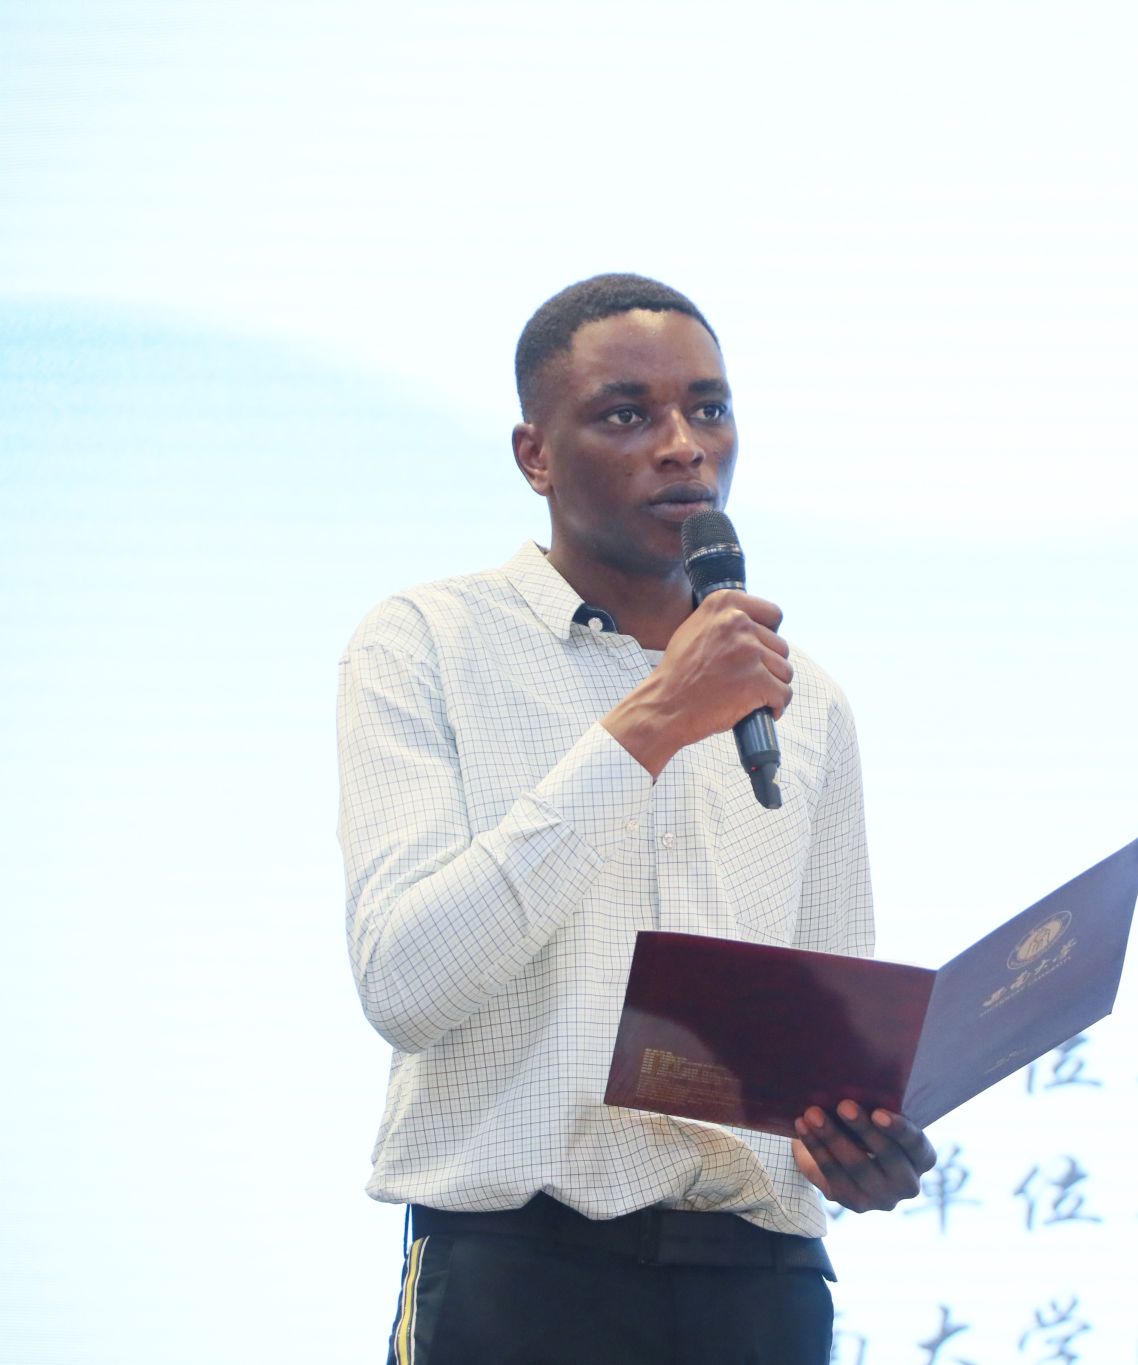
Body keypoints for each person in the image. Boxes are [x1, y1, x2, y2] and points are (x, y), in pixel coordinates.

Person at [336, 273, 936, 1364]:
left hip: (762, 1287)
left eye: (708, 408)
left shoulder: (808, 701)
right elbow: (405, 984)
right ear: (534, 455)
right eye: (627, 414)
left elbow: (825, 1051)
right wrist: (653, 722)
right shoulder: (426, 643)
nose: (683, 446)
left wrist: (854, 1142)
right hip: (518, 1275)